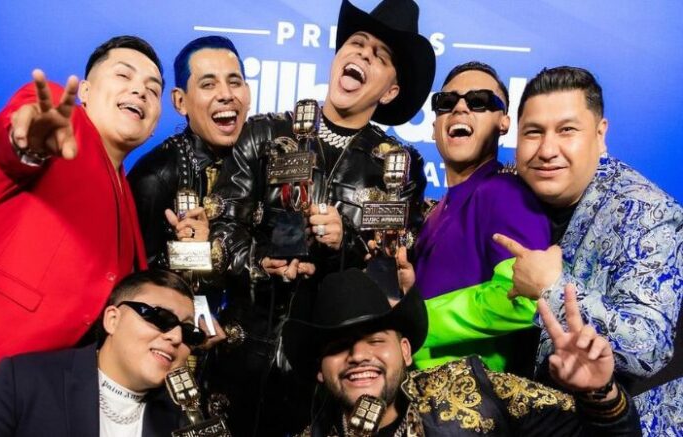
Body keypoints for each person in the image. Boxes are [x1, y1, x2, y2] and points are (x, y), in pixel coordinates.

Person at [207, 0, 434, 434]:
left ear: (390, 91)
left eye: (379, 55)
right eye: (356, 43)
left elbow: (389, 271)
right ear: (337, 58)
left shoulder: (398, 165)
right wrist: (259, 262)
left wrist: (344, 242)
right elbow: (221, 228)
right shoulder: (264, 132)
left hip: (329, 370)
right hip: (243, 350)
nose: (363, 53)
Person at [0, 35, 164, 433]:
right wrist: (29, 139)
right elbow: (19, 131)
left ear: (154, 124)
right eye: (124, 75)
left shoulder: (127, 193)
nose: (140, 91)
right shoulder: (62, 122)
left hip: (59, 393)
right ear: (86, 92)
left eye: (153, 90)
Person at [493, 66, 683, 435]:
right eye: (533, 132)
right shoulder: (508, 193)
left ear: (600, 134)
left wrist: (550, 288)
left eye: (567, 130)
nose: (547, 150)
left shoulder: (649, 212)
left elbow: (649, 346)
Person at [283, 267, 641, 436]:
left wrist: (599, 393)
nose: (359, 355)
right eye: (339, 347)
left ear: (405, 351)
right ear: (320, 370)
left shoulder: (473, 389)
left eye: (376, 340)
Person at [412, 61, 550, 372]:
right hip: (417, 391)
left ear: (504, 123)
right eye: (446, 102)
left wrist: (415, 321)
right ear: (434, 125)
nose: (460, 108)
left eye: (479, 101)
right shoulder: (436, 210)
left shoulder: (505, 193)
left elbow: (525, 301)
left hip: (473, 395)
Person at [0, 270, 207, 437]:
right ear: (113, 320)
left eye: (189, 332)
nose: (176, 337)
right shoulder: (24, 381)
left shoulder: (187, 419)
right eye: (160, 318)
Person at [128, 35, 250, 277]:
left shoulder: (263, 160)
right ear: (180, 101)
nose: (226, 94)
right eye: (208, 85)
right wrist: (195, 252)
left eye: (235, 82)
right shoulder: (156, 176)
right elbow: (138, 281)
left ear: (248, 92)